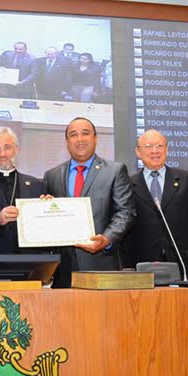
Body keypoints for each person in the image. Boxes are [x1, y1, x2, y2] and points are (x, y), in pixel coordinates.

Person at [43, 117, 135, 288]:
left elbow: (125, 212)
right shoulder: (52, 175)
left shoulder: (115, 171)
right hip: (62, 269)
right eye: (73, 135)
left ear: (95, 138)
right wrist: (43, 208)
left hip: (102, 267)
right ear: (67, 141)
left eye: (85, 133)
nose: (80, 139)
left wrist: (107, 239)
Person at [124, 129, 188, 287]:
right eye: (149, 146)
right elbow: (125, 230)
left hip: (182, 265)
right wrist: (126, 267)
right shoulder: (128, 184)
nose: (155, 151)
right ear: (138, 151)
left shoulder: (187, 179)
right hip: (141, 266)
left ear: (167, 149)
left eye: (159, 146)